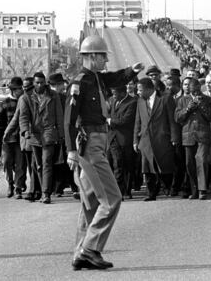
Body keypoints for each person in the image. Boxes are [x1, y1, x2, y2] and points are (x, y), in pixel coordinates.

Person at [64, 35, 143, 270]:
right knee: (112, 199)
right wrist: (69, 150)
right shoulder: (79, 82)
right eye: (102, 56)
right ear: (91, 56)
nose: (105, 61)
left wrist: (131, 71)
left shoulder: (97, 79)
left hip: (98, 141)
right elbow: (69, 120)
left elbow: (113, 78)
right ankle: (90, 249)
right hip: (89, 145)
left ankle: (81, 250)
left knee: (89, 202)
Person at [19, 72, 64, 204]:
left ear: (45, 83)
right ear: (33, 83)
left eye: (42, 82)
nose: (40, 85)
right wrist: (25, 131)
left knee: (46, 163)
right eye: (37, 82)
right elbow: (23, 117)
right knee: (38, 165)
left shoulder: (53, 96)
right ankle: (41, 191)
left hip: (49, 133)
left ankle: (46, 194)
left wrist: (61, 134)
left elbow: (59, 116)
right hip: (34, 135)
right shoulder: (26, 98)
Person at [133, 77, 180, 201]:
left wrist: (174, 137)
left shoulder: (165, 99)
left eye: (140, 90)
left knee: (164, 165)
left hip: (162, 139)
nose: (138, 92)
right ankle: (150, 193)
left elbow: (172, 119)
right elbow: (137, 122)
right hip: (146, 140)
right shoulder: (140, 101)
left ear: (149, 89)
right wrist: (135, 140)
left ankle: (168, 187)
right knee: (147, 168)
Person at [175, 78, 211, 199]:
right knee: (190, 164)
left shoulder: (208, 100)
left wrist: (201, 106)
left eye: (197, 90)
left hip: (203, 136)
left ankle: (202, 190)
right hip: (188, 136)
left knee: (202, 161)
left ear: (200, 88)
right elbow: (177, 118)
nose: (195, 93)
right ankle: (194, 190)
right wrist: (188, 109)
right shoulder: (182, 100)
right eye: (193, 91)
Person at [107, 85, 138, 200]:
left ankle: (127, 190)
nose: (113, 96)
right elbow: (106, 112)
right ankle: (117, 191)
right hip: (112, 138)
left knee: (127, 165)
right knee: (115, 164)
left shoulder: (132, 102)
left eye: (115, 94)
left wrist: (110, 121)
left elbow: (125, 120)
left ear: (123, 92)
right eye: (113, 94)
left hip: (125, 138)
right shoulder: (112, 100)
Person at [0, 77, 26, 199]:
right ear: (13, 90)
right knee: (6, 163)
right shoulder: (4, 104)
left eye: (20, 88)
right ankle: (10, 185)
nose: (19, 91)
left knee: (20, 164)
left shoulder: (25, 101)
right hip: (7, 139)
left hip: (21, 139)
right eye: (17, 89)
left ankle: (18, 188)